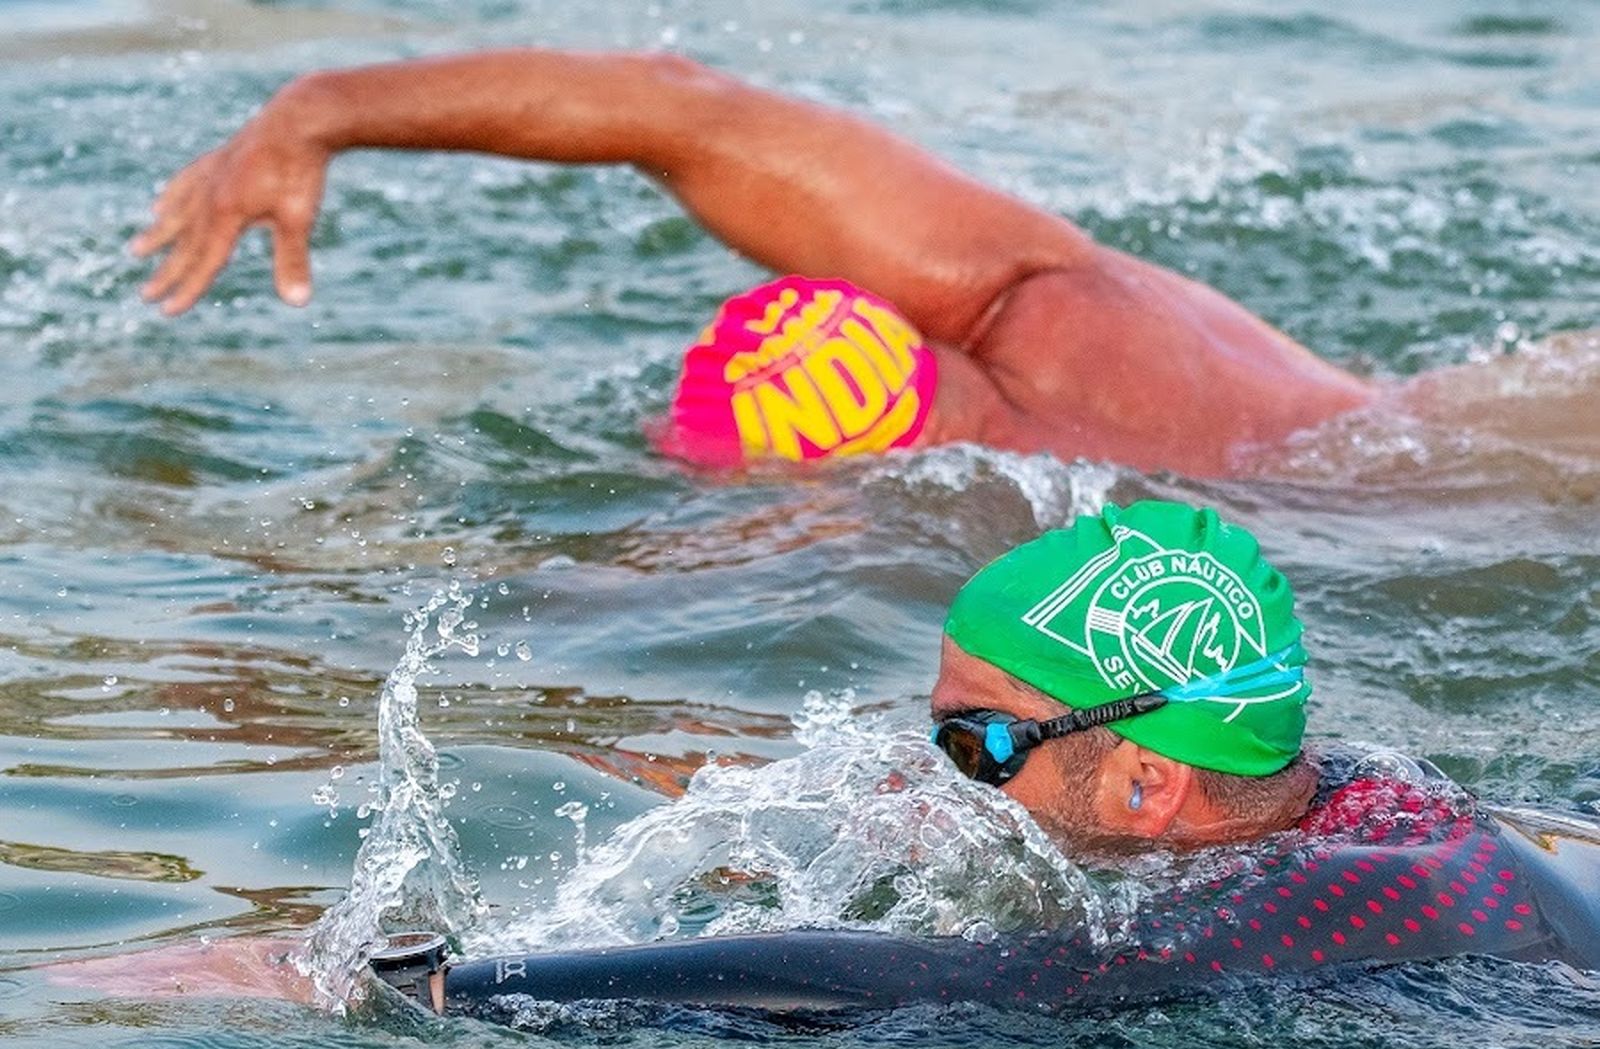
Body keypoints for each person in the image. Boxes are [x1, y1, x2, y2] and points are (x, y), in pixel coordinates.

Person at [46, 500, 1600, 1015]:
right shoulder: (1350, 804)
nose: (939, 770)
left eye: (977, 739)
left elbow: (938, 991)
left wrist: (424, 981)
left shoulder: (1287, 922)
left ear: (1145, 785)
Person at [133, 49, 1382, 477]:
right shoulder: (1025, 296)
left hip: (1458, 505)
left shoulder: (1039, 530)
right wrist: (328, 104)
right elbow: (684, 108)